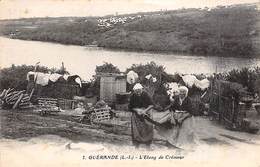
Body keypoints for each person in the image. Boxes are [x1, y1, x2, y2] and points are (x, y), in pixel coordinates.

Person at [128, 83, 154, 148]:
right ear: (134, 91)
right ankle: (137, 144)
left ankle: (148, 144)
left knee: (148, 128)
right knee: (136, 129)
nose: (138, 93)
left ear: (142, 90)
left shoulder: (146, 95)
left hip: (147, 112)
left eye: (139, 91)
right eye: (136, 91)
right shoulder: (133, 96)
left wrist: (145, 111)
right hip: (137, 114)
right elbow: (130, 107)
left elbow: (151, 105)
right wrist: (137, 110)